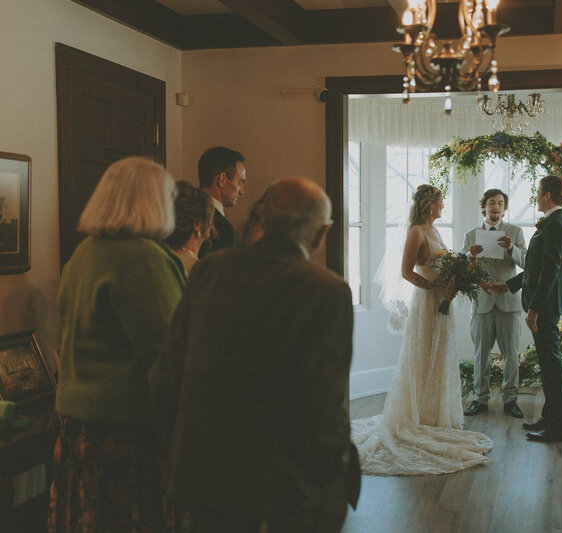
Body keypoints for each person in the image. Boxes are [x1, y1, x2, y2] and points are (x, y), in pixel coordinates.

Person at [149, 176, 360, 532]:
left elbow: (166, 373)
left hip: (205, 468)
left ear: (264, 218)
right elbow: (325, 402)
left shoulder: (209, 270)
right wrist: (331, 480)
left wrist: (178, 451)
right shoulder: (328, 291)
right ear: (321, 234)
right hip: (285, 482)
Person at [49, 156, 186, 531]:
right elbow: (171, 351)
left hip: (76, 420)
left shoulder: (84, 253)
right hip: (126, 427)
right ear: (154, 201)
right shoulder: (143, 257)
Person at [351, 184, 493, 476]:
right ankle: (417, 416)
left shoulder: (435, 231)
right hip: (427, 305)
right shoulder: (416, 231)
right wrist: (436, 288)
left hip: (442, 303)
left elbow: (444, 264)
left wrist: (467, 264)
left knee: (438, 356)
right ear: (430, 205)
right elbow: (406, 271)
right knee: (423, 356)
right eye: (441, 203)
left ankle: (433, 415)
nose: (443, 207)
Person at [489, 175, 562, 443]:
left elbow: (550, 272)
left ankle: (560, 427)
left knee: (552, 366)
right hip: (544, 304)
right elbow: (536, 268)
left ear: (548, 195)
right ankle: (550, 419)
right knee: (549, 366)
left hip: (546, 307)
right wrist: (509, 285)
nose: (536, 196)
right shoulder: (553, 223)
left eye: (538, 192)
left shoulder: (556, 226)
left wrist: (534, 309)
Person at [461, 189, 527, 419]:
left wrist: (512, 248)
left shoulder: (515, 232)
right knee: (481, 354)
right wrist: (470, 256)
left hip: (509, 301)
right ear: (484, 206)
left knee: (511, 353)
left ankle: (510, 400)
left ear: (504, 208)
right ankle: (479, 399)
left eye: (500, 203)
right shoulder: (471, 234)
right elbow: (460, 269)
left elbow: (528, 263)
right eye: (491, 203)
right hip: (482, 301)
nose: (495, 207)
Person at [197, 146, 246, 257]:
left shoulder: (184, 213)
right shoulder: (223, 230)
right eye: (240, 182)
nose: (242, 191)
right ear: (222, 179)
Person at [164, 180, 215, 274]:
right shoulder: (195, 268)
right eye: (210, 217)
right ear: (198, 225)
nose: (211, 225)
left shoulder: (164, 256)